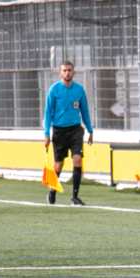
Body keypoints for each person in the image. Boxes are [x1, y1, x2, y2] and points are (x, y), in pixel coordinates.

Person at [44, 60, 93, 206]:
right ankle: (52, 191)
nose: (67, 73)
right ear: (60, 73)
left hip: (75, 130)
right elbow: (47, 113)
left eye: (69, 70)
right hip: (59, 131)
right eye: (64, 70)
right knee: (58, 165)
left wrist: (90, 130)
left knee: (77, 159)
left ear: (74, 72)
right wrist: (46, 134)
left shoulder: (79, 90)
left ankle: (75, 198)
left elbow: (84, 111)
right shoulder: (54, 90)